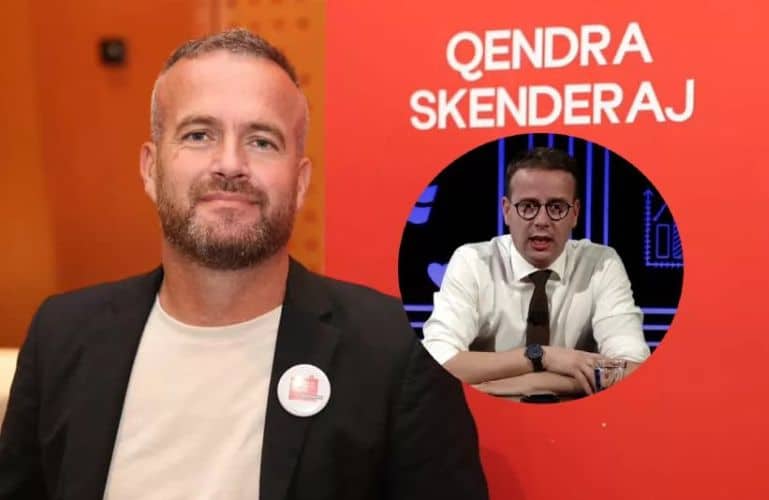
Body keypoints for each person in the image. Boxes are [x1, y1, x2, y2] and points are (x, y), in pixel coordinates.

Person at [0, 29, 487, 500]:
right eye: (198, 135)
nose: (230, 164)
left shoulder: (397, 354)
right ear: (151, 169)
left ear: (299, 182)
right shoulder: (60, 336)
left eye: (262, 141)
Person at [422, 147, 649, 397]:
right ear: (506, 211)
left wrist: (532, 384)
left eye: (557, 207)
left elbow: (632, 368)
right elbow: (437, 363)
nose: (542, 220)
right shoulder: (472, 261)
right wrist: (542, 356)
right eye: (528, 206)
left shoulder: (601, 264)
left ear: (575, 214)